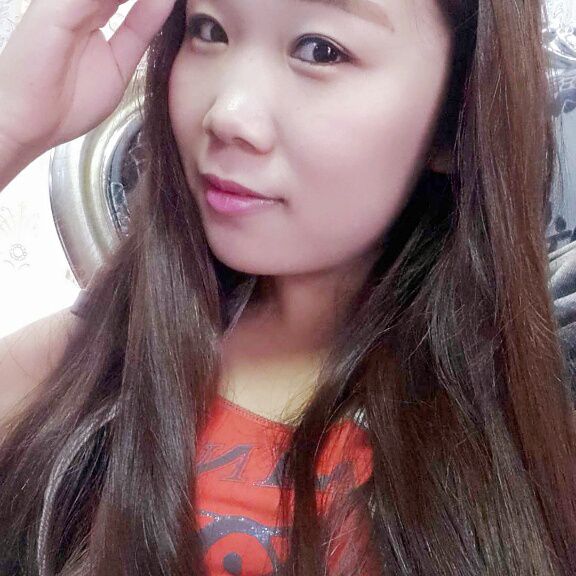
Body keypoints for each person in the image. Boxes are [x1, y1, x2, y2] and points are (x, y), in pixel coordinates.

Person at [0, 0, 575, 574]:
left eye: (320, 50)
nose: (227, 113)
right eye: (209, 29)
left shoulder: (515, 465)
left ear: (455, 117)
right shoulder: (93, 358)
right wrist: (11, 127)